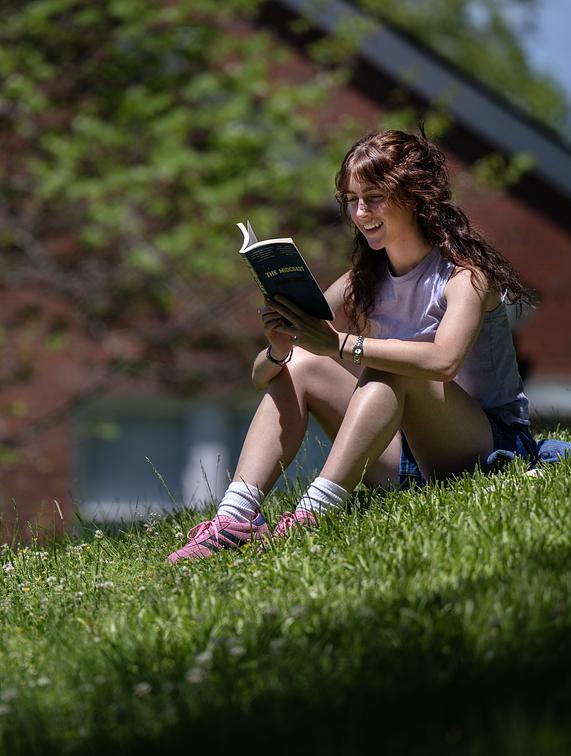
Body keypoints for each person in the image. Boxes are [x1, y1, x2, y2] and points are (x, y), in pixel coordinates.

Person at [167, 129, 537, 563]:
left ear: (416, 196)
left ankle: (313, 514)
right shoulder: (364, 279)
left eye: (374, 197)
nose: (361, 213)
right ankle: (234, 519)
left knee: (393, 363)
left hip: (487, 447)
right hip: (406, 456)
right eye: (351, 199)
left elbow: (442, 361)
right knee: (304, 364)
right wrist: (278, 348)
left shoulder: (464, 276)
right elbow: (263, 376)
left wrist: (339, 343)